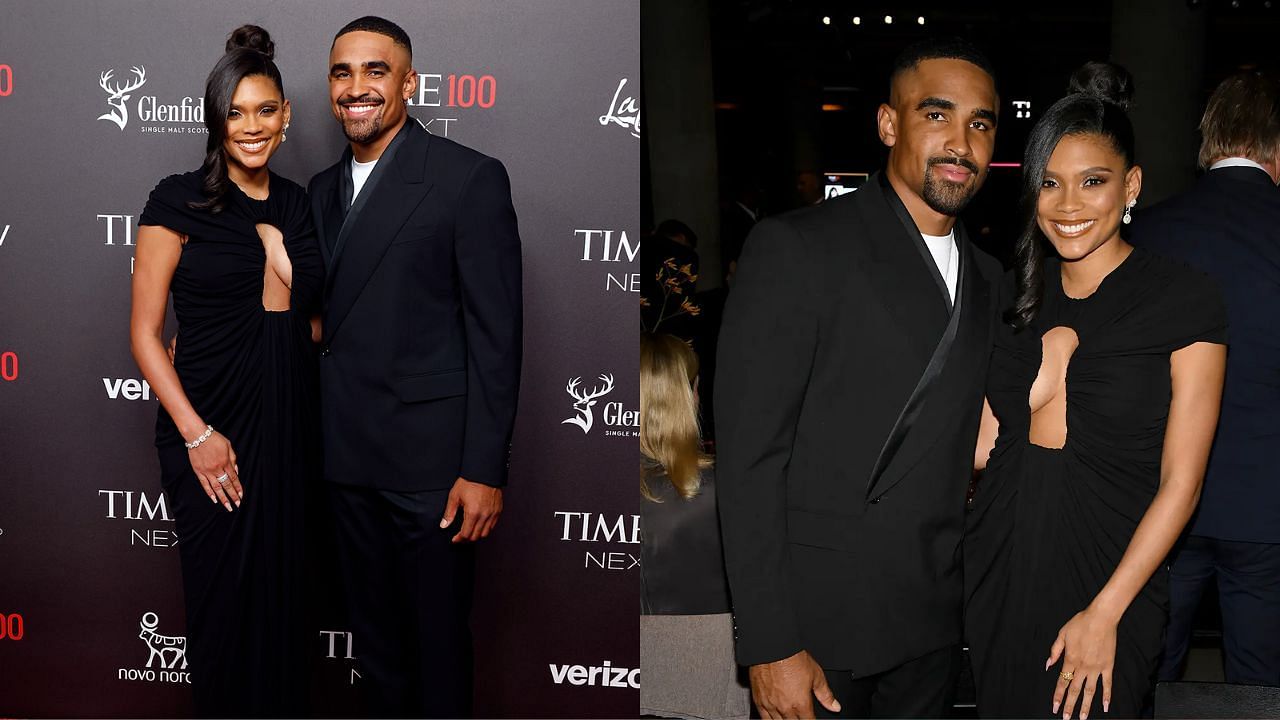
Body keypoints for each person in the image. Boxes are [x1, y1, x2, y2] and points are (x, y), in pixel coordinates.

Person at [715, 37, 1003, 719]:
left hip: (931, 625)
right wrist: (770, 642)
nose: (960, 142)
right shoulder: (799, 248)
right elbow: (751, 459)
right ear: (888, 124)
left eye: (981, 124)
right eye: (937, 116)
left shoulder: (993, 281)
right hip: (819, 630)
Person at [965, 64, 1228, 719]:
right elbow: (980, 449)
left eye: (1092, 182)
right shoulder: (1014, 295)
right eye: (1049, 184)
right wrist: (1045, 368)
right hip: (1005, 562)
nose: (1069, 205)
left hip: (1114, 579)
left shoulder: (1182, 299)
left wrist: (1106, 612)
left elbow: (1183, 485)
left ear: (1131, 185)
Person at [307, 16, 522, 717]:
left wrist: (484, 468)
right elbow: (316, 320)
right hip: (345, 464)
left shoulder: (468, 179)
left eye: (375, 71)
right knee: (375, 652)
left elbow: (496, 336)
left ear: (409, 83)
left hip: (433, 472)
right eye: (342, 73)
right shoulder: (318, 190)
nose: (356, 87)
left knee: (434, 648)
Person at [130, 25, 321, 717]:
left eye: (265, 110)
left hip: (288, 426)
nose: (251, 127)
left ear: (286, 115)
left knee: (283, 605)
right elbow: (146, 336)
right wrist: (196, 435)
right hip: (206, 428)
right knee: (221, 605)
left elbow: (303, 316)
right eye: (235, 112)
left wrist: (274, 243)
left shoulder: (301, 204)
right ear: (215, 119)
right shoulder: (176, 200)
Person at [1131, 70, 1280, 687]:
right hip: (1269, 507)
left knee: (1146, 674)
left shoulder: (1145, 234)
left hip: (1159, 501)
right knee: (1260, 683)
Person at [640, 332, 750, 720]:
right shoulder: (730, 489)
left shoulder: (582, 492)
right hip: (708, 671)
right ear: (690, 396)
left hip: (603, 669)